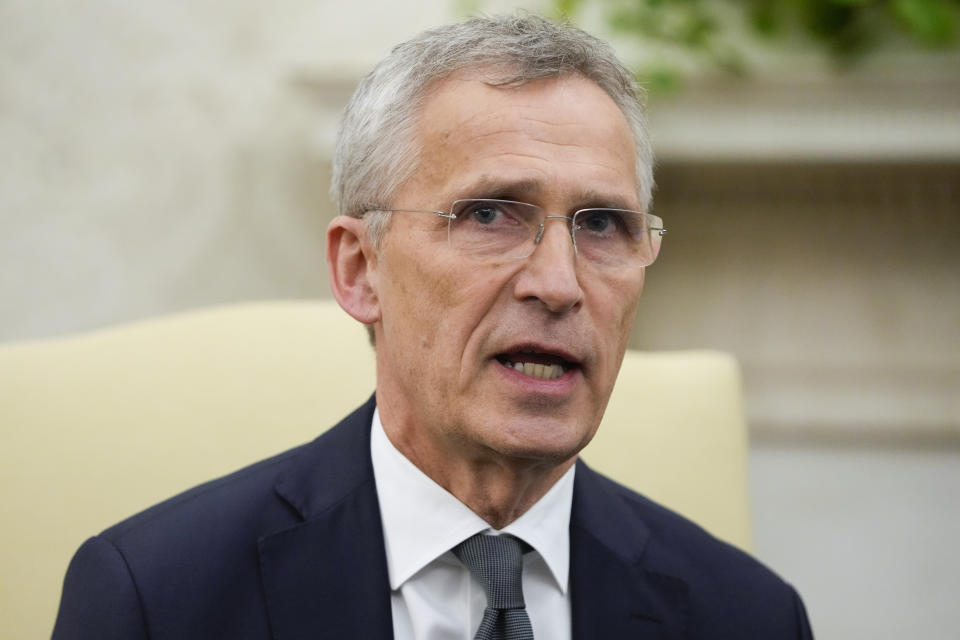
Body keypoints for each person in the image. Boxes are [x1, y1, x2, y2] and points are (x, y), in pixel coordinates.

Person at [53, 14, 813, 640]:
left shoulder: (747, 617)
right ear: (360, 269)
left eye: (604, 224)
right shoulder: (155, 600)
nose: (558, 284)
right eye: (488, 214)